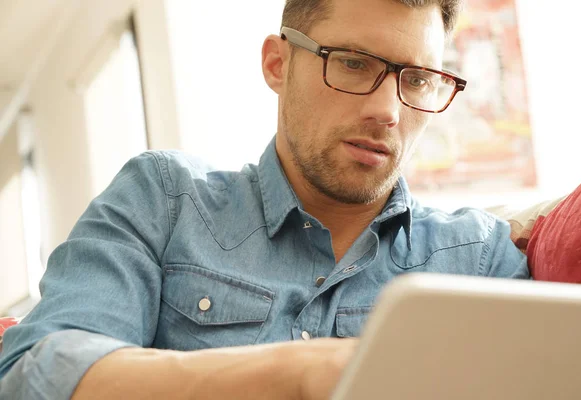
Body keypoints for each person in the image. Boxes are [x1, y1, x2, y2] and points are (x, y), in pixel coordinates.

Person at [0, 0, 530, 398]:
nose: (389, 111)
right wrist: (298, 372)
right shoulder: (165, 200)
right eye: (352, 63)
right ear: (278, 64)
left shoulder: (478, 258)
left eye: (417, 79)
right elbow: (34, 373)